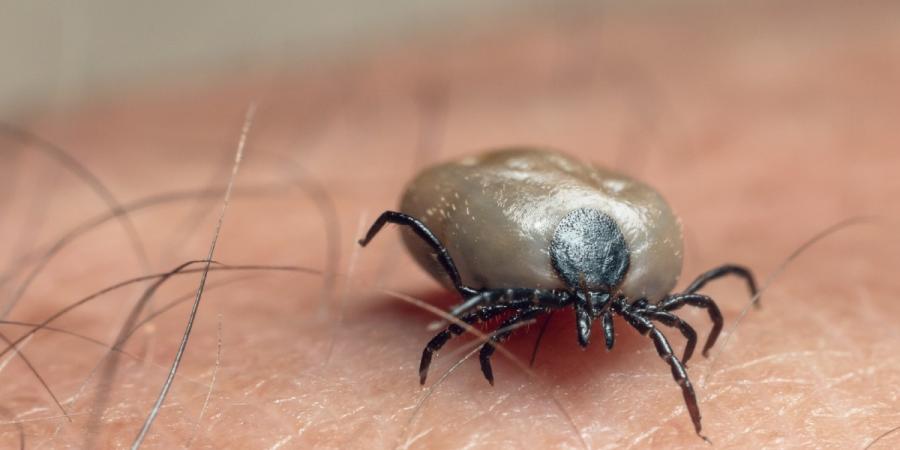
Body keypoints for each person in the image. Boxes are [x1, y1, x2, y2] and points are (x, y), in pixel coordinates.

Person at [0, 1, 898, 447]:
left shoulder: (613, 288)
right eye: (586, 309)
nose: (594, 324)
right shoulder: (545, 292)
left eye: (613, 313)